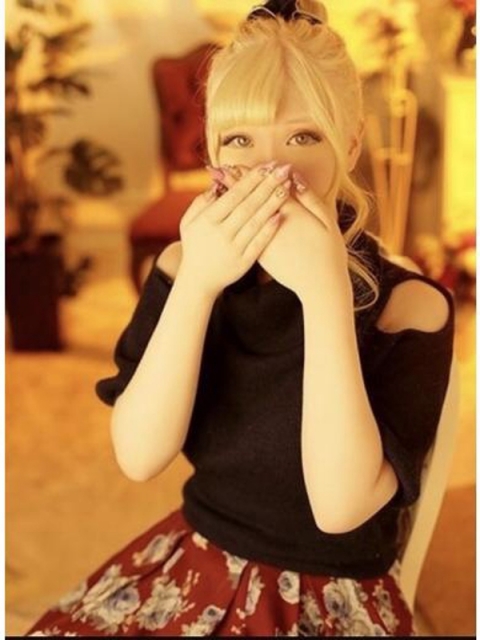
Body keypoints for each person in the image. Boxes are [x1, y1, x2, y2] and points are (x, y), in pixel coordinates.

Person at [25, 0, 455, 636]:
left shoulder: (409, 306)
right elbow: (139, 456)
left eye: (303, 137)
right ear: (212, 148)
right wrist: (198, 284)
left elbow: (339, 509)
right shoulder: (184, 266)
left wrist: (326, 293)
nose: (270, 169)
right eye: (240, 140)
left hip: (329, 593)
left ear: (350, 141)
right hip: (196, 558)